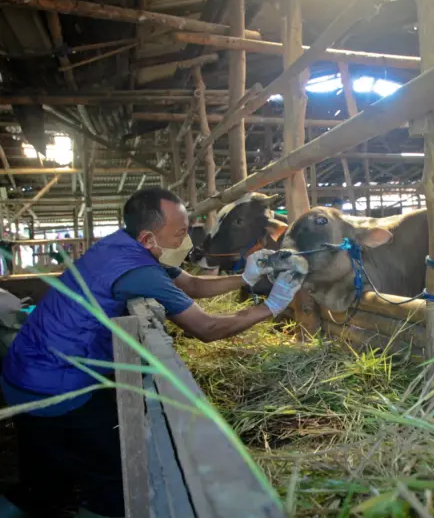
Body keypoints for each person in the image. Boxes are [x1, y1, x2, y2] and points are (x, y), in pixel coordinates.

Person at [0, 188, 301, 518]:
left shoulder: (125, 245)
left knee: (46, 468)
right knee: (117, 470)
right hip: (55, 384)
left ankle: (38, 496)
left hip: (24, 368)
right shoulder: (139, 272)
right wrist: (271, 306)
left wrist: (245, 277)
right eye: (181, 233)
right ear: (148, 236)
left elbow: (193, 285)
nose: (188, 241)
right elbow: (206, 329)